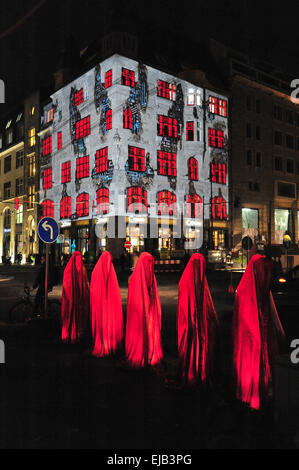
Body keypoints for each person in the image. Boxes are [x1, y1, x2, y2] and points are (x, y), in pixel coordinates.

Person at [232, 254, 285, 411]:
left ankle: (260, 388)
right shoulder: (245, 294)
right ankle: (255, 390)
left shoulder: (257, 291)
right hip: (252, 344)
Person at [177, 253, 219, 385]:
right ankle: (192, 371)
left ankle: (198, 370)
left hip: (199, 326)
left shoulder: (200, 283)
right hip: (190, 326)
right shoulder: (186, 282)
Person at [126, 252, 163, 368]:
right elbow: (135, 305)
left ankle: (148, 350)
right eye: (148, 265)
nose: (150, 269)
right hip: (138, 323)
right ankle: (141, 351)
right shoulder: (134, 280)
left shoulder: (150, 279)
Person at [90, 252, 124, 357]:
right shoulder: (97, 274)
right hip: (100, 307)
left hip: (108, 308)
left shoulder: (111, 275)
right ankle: (105, 342)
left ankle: (110, 342)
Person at [61, 251, 90, 344]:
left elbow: (85, 286)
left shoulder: (82, 270)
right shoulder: (69, 270)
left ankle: (77, 334)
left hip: (79, 301)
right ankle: (71, 334)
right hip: (71, 302)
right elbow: (67, 287)